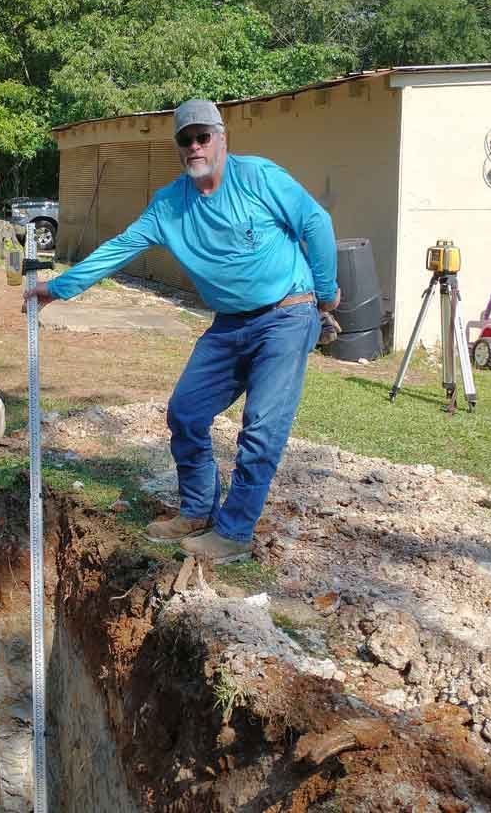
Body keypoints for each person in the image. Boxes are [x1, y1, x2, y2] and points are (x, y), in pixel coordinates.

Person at [25, 98, 339, 563]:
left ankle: (234, 532)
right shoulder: (169, 205)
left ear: (221, 139)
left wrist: (326, 292)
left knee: (261, 429)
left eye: (202, 137)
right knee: (186, 413)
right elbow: (121, 247)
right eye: (186, 139)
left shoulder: (258, 178)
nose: (195, 146)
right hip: (230, 324)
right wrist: (59, 289)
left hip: (287, 315)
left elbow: (316, 222)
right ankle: (196, 509)